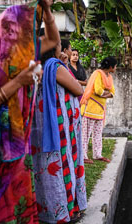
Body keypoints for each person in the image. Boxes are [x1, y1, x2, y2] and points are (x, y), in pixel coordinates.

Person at [0, 1, 60, 223]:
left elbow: (53, 41)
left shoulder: (14, 57)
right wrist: (20, 81)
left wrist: (47, 10)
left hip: (15, 146)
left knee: (15, 203)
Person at [31, 42, 86, 223]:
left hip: (43, 125)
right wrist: (63, 64)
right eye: (63, 48)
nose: (67, 51)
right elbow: (78, 89)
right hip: (60, 127)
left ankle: (49, 210)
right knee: (63, 165)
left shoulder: (35, 67)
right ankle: (66, 210)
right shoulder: (55, 67)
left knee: (45, 168)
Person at [80, 57, 117, 164]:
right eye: (115, 66)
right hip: (90, 109)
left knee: (98, 133)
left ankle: (97, 154)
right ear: (111, 67)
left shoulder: (109, 77)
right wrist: (106, 94)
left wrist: (104, 94)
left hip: (100, 110)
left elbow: (113, 92)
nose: (116, 68)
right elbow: (97, 90)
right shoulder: (97, 73)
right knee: (85, 134)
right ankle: (83, 155)